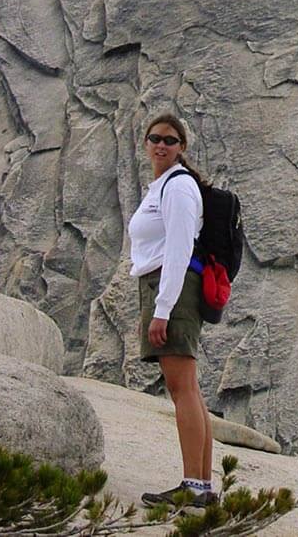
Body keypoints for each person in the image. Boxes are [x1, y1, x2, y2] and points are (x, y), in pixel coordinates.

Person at [128, 113, 216, 509]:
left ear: (181, 147)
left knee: (182, 389)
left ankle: (193, 486)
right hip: (167, 287)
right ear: (146, 143)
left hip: (173, 289)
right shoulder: (164, 186)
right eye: (154, 138)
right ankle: (202, 486)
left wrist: (163, 308)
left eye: (170, 139)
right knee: (190, 389)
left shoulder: (179, 187)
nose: (161, 145)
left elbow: (179, 248)